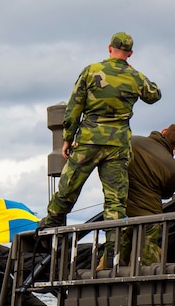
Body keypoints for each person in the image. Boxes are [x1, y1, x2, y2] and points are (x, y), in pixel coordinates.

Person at [38, 32, 162, 262]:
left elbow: (75, 106)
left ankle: (50, 231)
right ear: (130, 54)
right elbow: (155, 95)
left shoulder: (91, 70)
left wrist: (67, 138)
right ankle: (112, 254)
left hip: (89, 139)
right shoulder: (134, 76)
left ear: (109, 48)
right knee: (115, 200)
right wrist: (132, 70)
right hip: (117, 144)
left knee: (68, 187)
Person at [120, 122, 175, 265]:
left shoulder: (131, 141)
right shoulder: (172, 166)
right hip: (149, 216)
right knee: (147, 261)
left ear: (163, 131)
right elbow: (166, 193)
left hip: (121, 210)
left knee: (114, 254)